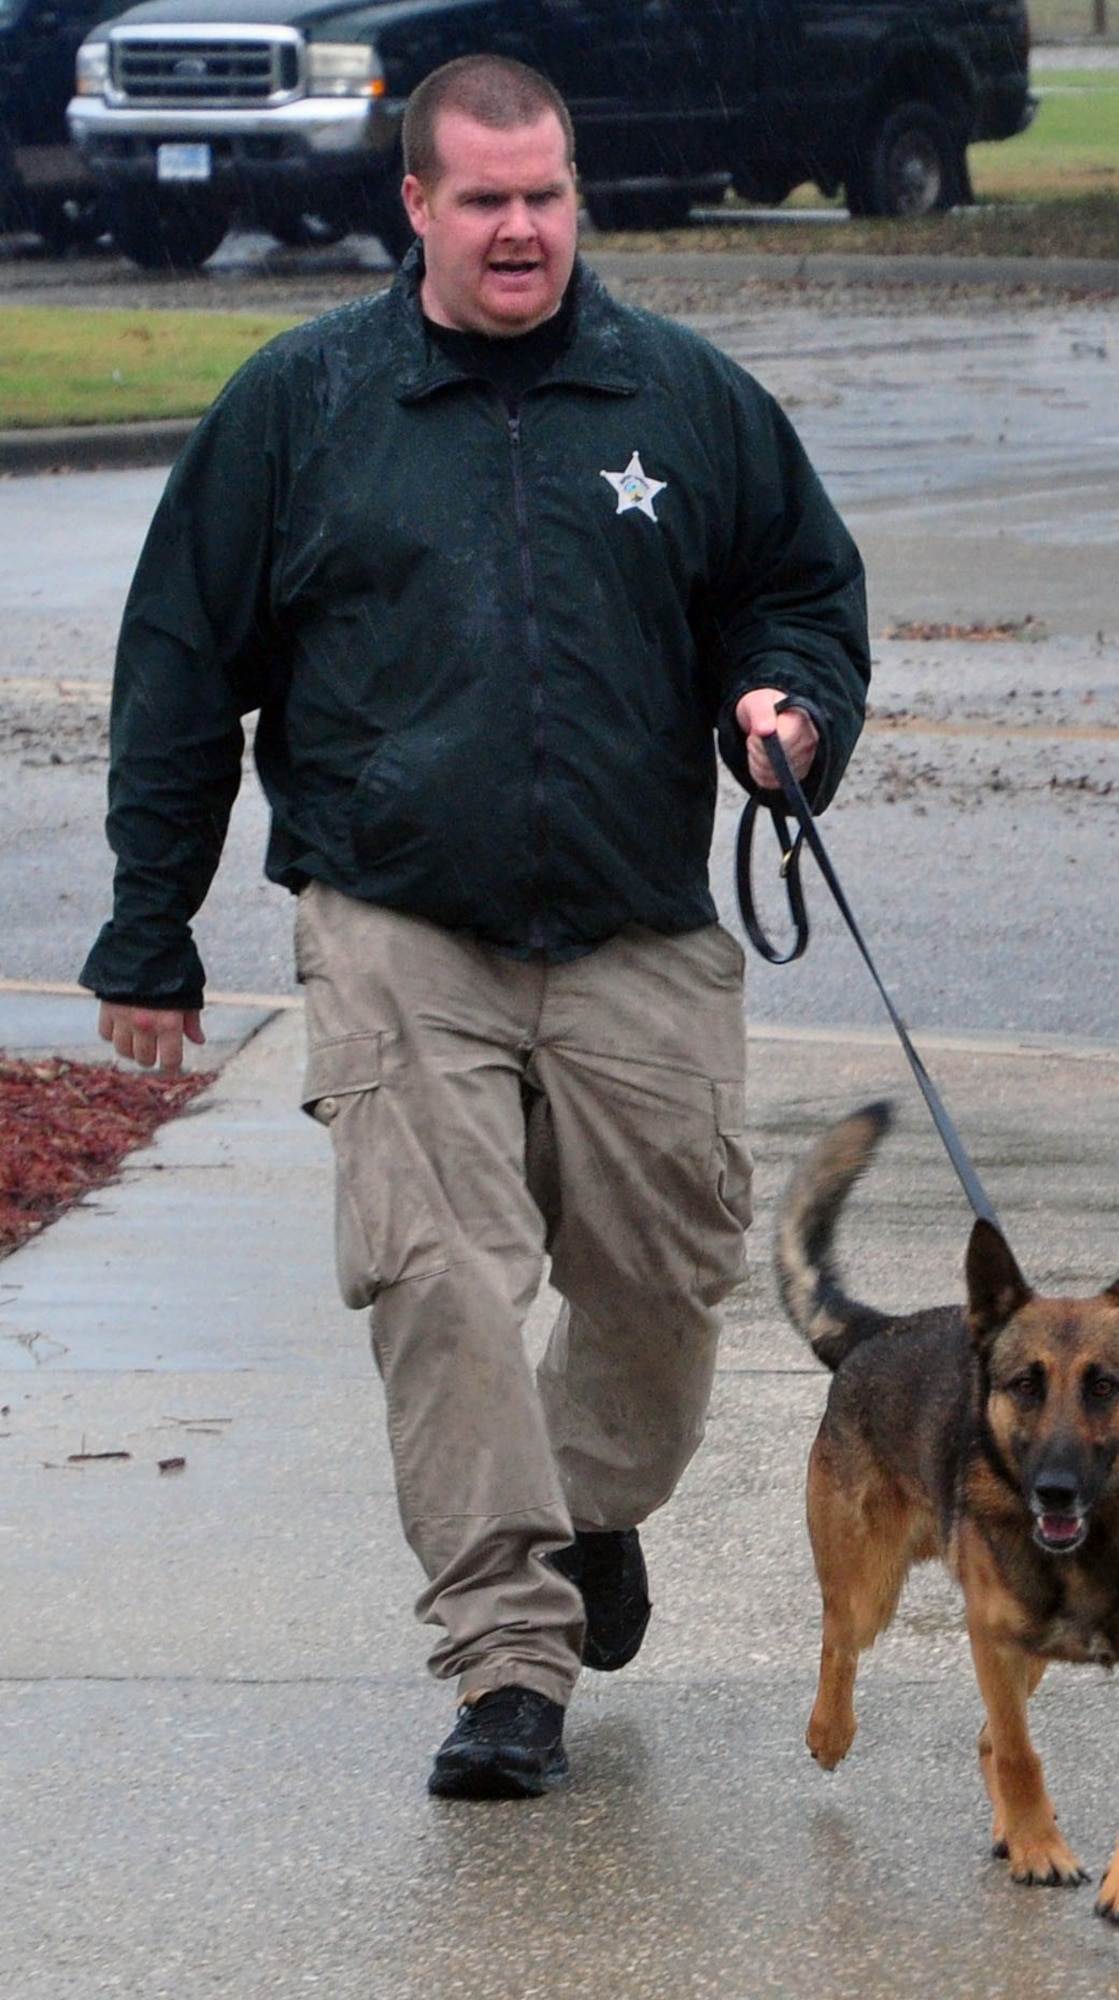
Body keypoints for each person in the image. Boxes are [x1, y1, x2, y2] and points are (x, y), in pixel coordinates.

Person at [80, 53, 869, 1800]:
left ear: (577, 196)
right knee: (438, 1282)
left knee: (663, 1285)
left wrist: (790, 709)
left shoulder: (684, 395)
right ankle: (508, 1661)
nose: (522, 230)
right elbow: (179, 671)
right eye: (486, 200)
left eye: (548, 195)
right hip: (394, 918)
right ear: (416, 205)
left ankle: (588, 1513)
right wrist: (153, 933)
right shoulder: (303, 407)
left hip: (634, 920)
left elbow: (798, 589)